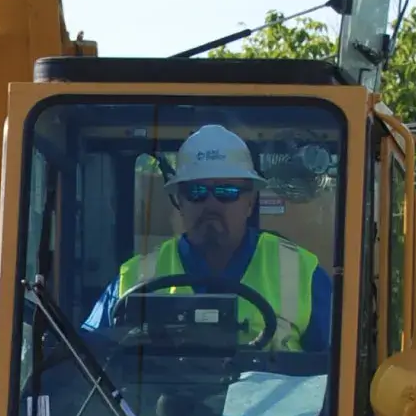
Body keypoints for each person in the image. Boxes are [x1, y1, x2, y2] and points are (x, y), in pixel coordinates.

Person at [82, 124, 331, 352]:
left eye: (226, 192)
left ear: (250, 202)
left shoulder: (301, 273)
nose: (211, 204)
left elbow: (339, 369)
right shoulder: (134, 279)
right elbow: (84, 359)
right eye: (196, 192)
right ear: (179, 200)